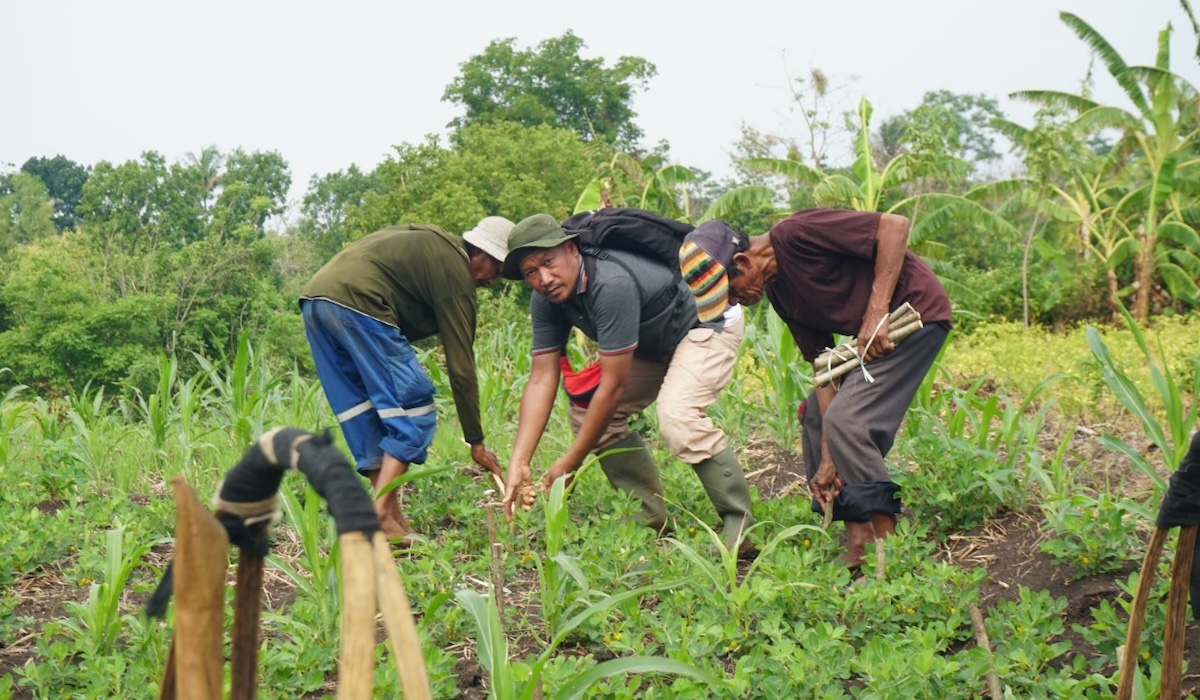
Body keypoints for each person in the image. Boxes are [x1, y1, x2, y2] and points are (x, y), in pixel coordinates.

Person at [685, 209, 952, 571]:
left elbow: (895, 226)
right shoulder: (782, 296)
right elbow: (824, 366)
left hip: (913, 315)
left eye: (729, 291)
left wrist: (877, 311)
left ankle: (890, 550)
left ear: (743, 261)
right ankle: (858, 532)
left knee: (848, 421)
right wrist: (827, 458)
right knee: (816, 416)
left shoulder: (797, 233)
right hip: (871, 339)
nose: (733, 302)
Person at [499, 213, 755, 553]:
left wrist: (570, 462)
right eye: (531, 272)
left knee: (678, 417)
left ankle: (741, 527)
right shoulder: (546, 299)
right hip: (651, 343)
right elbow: (541, 378)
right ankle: (648, 520)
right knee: (589, 410)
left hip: (705, 323)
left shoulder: (610, 283)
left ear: (572, 250)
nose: (544, 278)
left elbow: (614, 386)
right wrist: (519, 462)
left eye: (549, 262)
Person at [299, 216, 514, 541]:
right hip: (360, 303)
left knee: (366, 413)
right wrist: (476, 441)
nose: (493, 281)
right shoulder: (456, 271)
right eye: (497, 269)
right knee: (415, 412)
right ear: (481, 253)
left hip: (316, 302)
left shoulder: (433, 244)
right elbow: (461, 365)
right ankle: (375, 516)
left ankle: (391, 523)